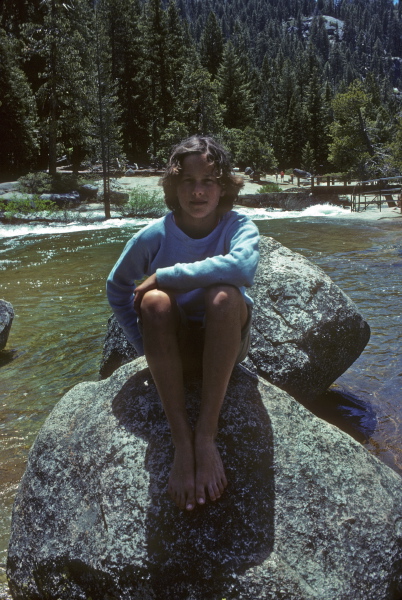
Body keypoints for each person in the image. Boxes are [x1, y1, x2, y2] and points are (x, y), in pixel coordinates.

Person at [107, 135, 260, 511]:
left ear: (223, 186)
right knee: (154, 302)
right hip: (174, 347)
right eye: (188, 182)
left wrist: (165, 275)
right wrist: (146, 349)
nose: (198, 191)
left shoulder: (238, 225)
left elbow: (242, 268)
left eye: (208, 181)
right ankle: (181, 441)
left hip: (224, 344)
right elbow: (117, 287)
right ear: (174, 186)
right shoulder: (155, 235)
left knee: (224, 294)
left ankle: (205, 437)